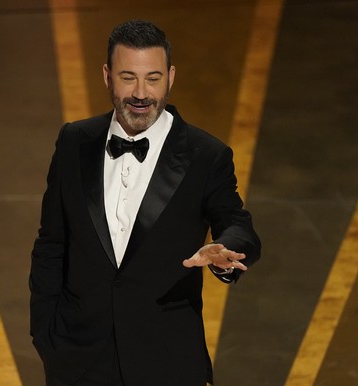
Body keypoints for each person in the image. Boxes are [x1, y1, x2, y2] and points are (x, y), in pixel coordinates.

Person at [29, 20, 261, 386]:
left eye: (153, 78)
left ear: (170, 77)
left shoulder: (206, 155)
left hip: (166, 360)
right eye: (128, 77)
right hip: (78, 359)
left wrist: (227, 248)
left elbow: (237, 222)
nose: (141, 92)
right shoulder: (74, 141)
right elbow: (51, 243)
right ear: (107, 76)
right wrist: (46, 333)